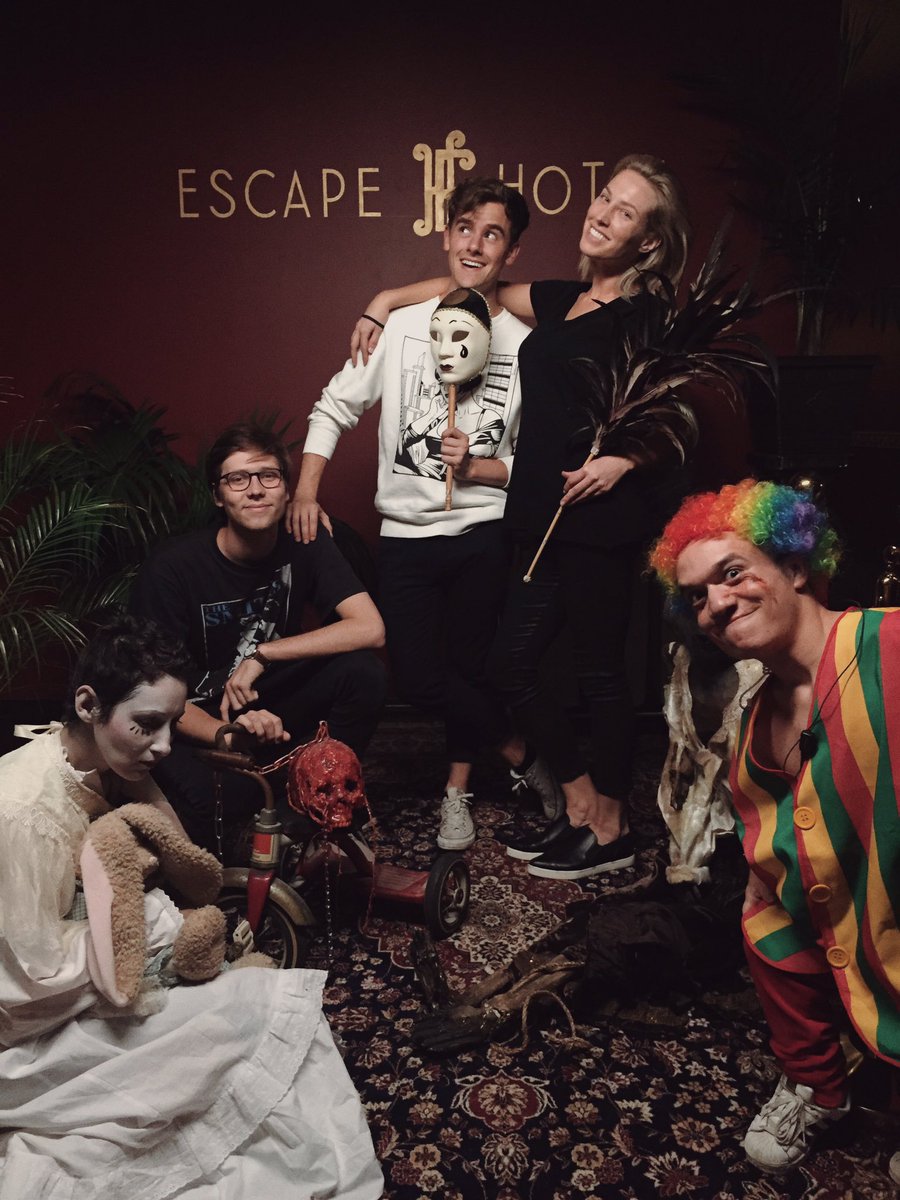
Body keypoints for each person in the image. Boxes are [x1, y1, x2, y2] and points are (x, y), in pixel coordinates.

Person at [354, 154, 694, 879]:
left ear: (648, 241)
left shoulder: (647, 316)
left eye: (625, 211)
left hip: (598, 521)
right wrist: (382, 299)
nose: (602, 213)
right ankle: (579, 801)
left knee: (601, 674)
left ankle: (609, 828)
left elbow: (676, 416)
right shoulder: (567, 299)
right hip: (539, 519)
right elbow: (470, 282)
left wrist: (622, 461)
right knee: (510, 666)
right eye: (605, 197)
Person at [0, 614, 384, 1198]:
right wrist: (156, 925)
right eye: (146, 725)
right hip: (27, 1028)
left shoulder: (98, 760)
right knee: (247, 1010)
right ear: (87, 705)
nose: (164, 747)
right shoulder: (26, 814)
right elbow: (27, 982)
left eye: (173, 724)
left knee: (250, 1012)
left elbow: (182, 859)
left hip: (97, 965)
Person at [288, 177, 563, 854]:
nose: (476, 244)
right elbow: (335, 406)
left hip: (482, 529)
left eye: (493, 234)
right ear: (446, 236)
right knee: (415, 676)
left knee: (469, 668)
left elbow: (534, 465)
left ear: (512, 252)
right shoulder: (403, 326)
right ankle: (521, 751)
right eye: (466, 227)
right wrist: (305, 491)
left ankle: (456, 792)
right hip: (406, 535)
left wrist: (478, 467)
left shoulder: (526, 345)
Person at [649, 477, 900, 1177]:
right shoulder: (756, 720)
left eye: (732, 574)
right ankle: (817, 1086)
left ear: (794, 567)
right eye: (697, 596)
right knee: (763, 918)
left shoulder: (889, 643)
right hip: (835, 928)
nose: (715, 604)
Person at [130, 419, 387, 852]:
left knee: (363, 672)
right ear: (218, 495)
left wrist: (263, 654)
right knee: (222, 803)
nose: (255, 490)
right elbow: (148, 691)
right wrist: (229, 735)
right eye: (237, 479)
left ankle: (309, 800)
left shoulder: (304, 540)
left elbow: (370, 628)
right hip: (193, 715)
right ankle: (270, 791)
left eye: (268, 476)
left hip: (268, 701)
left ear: (286, 490)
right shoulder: (172, 569)